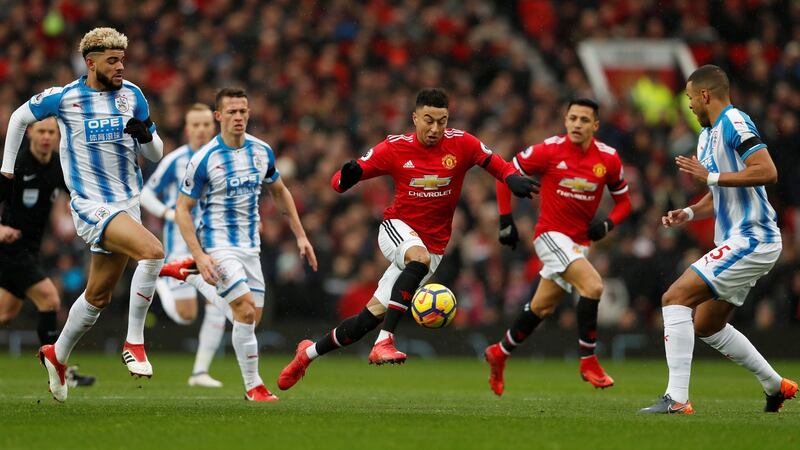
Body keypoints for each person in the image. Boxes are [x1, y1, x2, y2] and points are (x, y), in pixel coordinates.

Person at [277, 88, 539, 391]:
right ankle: (385, 342)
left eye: (442, 121)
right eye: (428, 120)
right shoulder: (395, 148)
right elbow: (339, 181)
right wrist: (346, 178)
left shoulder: (463, 143)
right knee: (418, 258)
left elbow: (495, 162)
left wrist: (511, 178)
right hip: (397, 228)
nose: (435, 128)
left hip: (434, 247)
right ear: (415, 118)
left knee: (367, 319)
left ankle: (307, 354)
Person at [1, 27, 166, 402]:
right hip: (91, 205)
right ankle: (134, 342)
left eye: (122, 59)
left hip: (128, 204)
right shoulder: (64, 98)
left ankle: (56, 355)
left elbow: (156, 153)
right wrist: (6, 172)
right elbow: (18, 118)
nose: (120, 66)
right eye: (112, 60)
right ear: (91, 63)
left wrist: (146, 136)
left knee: (98, 297)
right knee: (153, 252)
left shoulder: (133, 95)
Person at [639, 65, 797, 414]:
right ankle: (776, 386)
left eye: (690, 98)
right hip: (740, 240)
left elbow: (767, 170)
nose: (689, 105)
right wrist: (690, 212)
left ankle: (676, 398)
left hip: (753, 237)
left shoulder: (734, 122)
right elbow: (720, 192)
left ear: (705, 95)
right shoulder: (706, 136)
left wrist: (710, 176)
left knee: (675, 297)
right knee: (707, 325)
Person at [158, 87, 318, 402]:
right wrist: (198, 254)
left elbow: (279, 191)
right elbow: (182, 209)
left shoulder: (261, 151)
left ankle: (191, 276)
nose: (238, 117)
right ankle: (253, 386)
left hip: (250, 246)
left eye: (243, 111)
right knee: (243, 310)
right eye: (231, 111)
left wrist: (301, 235)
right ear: (219, 116)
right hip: (218, 244)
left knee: (249, 319)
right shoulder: (204, 158)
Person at [484, 98, 632, 396]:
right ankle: (588, 360)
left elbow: (624, 203)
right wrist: (505, 219)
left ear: (595, 125)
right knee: (593, 286)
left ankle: (499, 351)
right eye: (572, 118)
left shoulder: (608, 158)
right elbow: (505, 173)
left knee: (541, 307)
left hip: (579, 245)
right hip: (550, 236)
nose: (577, 124)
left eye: (584, 120)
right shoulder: (548, 150)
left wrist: (607, 225)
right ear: (565, 121)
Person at [0, 118, 95, 388]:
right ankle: (60, 370)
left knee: (5, 313)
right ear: (29, 132)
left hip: (30, 250)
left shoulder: (58, 165)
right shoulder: (16, 165)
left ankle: (59, 367)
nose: (46, 137)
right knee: (50, 299)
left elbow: (76, 195)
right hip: (9, 250)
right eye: (41, 131)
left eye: (51, 132)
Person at [140, 104, 227, 388]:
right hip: (180, 244)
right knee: (186, 316)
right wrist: (169, 214)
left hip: (214, 244)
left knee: (219, 301)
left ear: (213, 127)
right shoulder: (175, 160)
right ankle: (162, 282)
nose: (201, 130)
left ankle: (200, 372)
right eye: (196, 125)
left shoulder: (223, 159)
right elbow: (145, 194)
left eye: (206, 124)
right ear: (188, 129)